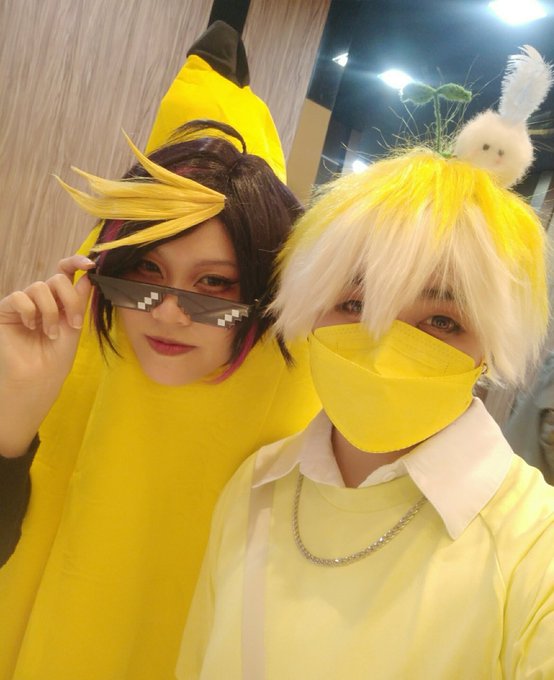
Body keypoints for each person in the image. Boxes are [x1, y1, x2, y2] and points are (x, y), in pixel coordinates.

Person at [177, 116, 554, 680]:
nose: (384, 347)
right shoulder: (255, 485)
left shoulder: (534, 546)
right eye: (354, 305)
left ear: (489, 347)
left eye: (442, 320)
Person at [0, 100, 318, 680]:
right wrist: (10, 429)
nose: (168, 315)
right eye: (145, 273)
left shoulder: (303, 452)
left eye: (214, 284)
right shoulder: (55, 373)